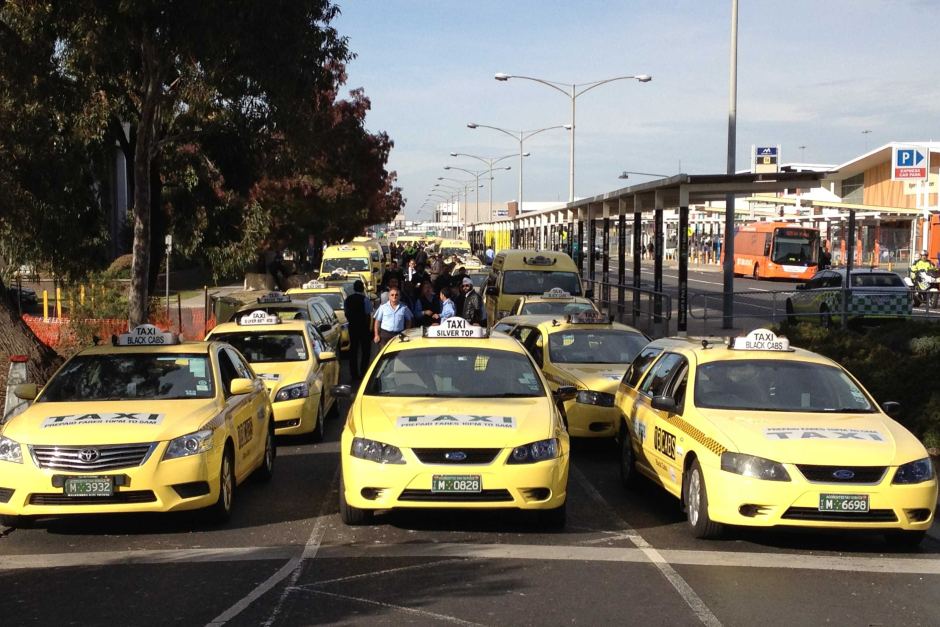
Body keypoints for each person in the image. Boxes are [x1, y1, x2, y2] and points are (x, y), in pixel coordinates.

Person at [343, 279, 373, 379]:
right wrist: (369, 329)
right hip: (363, 328)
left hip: (352, 327)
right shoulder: (365, 300)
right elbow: (368, 314)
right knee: (365, 351)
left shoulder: (348, 299)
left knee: (353, 351)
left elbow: (346, 313)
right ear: (362, 288)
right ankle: (363, 372)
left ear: (354, 288)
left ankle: (354, 374)